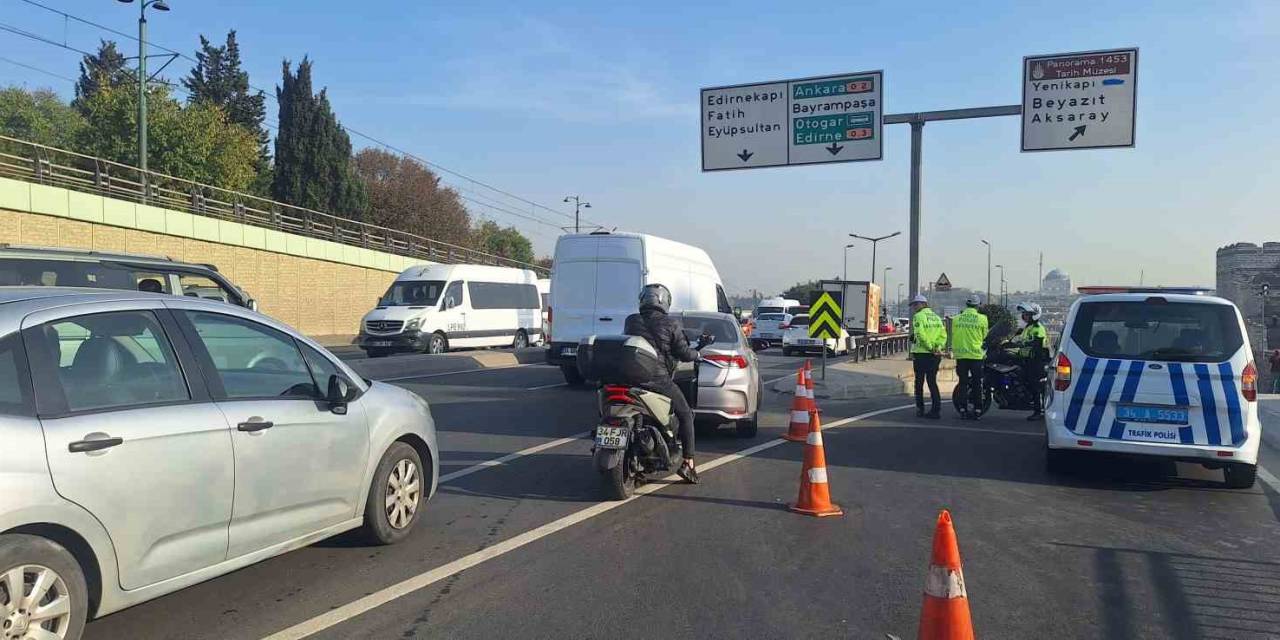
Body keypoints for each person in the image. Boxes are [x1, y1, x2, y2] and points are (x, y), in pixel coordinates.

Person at [624, 283, 701, 484]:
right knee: (686, 414)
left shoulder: (631, 320)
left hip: (628, 378)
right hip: (657, 380)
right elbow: (684, 353)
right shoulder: (671, 324)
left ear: (643, 300)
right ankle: (688, 462)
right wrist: (697, 353)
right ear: (664, 302)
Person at [909, 294, 947, 419]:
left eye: (915, 304)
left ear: (922, 304)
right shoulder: (936, 317)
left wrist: (930, 347)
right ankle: (936, 410)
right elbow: (943, 335)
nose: (914, 307)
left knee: (919, 382)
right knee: (932, 382)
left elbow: (920, 334)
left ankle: (920, 409)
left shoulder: (918, 316)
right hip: (935, 355)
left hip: (921, 353)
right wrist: (938, 347)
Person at [951, 295, 989, 419]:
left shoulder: (956, 319)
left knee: (963, 383)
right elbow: (985, 337)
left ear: (966, 305)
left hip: (961, 355)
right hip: (976, 356)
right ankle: (978, 410)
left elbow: (954, 334)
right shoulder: (982, 319)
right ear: (977, 306)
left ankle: (962, 409)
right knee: (977, 383)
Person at [1011, 302, 1049, 420]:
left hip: (1036, 361)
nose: (1024, 316)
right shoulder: (1027, 328)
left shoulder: (1038, 328)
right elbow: (1019, 340)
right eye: (1024, 314)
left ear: (1034, 315)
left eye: (1027, 314)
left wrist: (1024, 343)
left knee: (1035, 386)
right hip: (1026, 360)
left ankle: (1039, 411)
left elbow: (1037, 344)